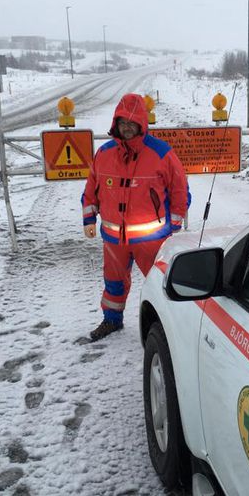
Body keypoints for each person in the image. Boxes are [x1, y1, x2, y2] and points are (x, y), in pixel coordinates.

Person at [82, 93, 189, 341]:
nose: (127, 128)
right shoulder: (104, 154)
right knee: (113, 283)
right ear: (115, 124)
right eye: (122, 123)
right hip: (113, 239)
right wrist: (89, 218)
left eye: (132, 123)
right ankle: (111, 321)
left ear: (142, 124)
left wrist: (174, 224)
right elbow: (91, 188)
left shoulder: (161, 153)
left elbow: (179, 189)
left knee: (160, 285)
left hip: (151, 240)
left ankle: (168, 327)